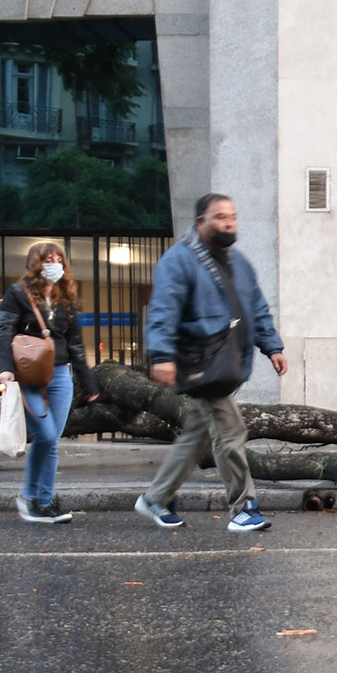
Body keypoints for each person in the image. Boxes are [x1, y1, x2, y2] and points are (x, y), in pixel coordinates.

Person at [136, 192, 288, 532]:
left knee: (200, 434)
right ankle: (243, 508)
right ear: (201, 222)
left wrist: (272, 346)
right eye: (221, 217)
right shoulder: (179, 261)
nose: (230, 222)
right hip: (199, 362)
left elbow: (257, 307)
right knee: (231, 430)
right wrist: (161, 356)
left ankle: (156, 498)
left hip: (225, 361)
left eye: (233, 215)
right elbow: (163, 311)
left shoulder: (239, 262)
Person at [0, 241, 99, 524]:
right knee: (48, 434)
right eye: (47, 259)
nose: (54, 264)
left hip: (61, 375)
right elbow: (3, 330)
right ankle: (31, 498)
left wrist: (88, 385)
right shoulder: (19, 293)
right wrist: (5, 368)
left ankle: (43, 501)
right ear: (35, 264)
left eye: (58, 259)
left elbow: (75, 344)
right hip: (30, 375)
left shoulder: (66, 298)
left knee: (50, 439)